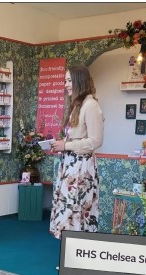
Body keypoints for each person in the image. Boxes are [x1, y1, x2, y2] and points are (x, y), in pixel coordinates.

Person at [50, 65, 102, 239]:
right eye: (65, 80)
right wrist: (61, 144)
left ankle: (76, 258)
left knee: (78, 211)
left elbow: (96, 141)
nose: (66, 84)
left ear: (79, 81)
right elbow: (76, 138)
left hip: (82, 168)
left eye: (69, 80)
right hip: (71, 165)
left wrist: (66, 146)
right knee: (68, 211)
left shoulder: (91, 105)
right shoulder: (78, 105)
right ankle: (69, 257)